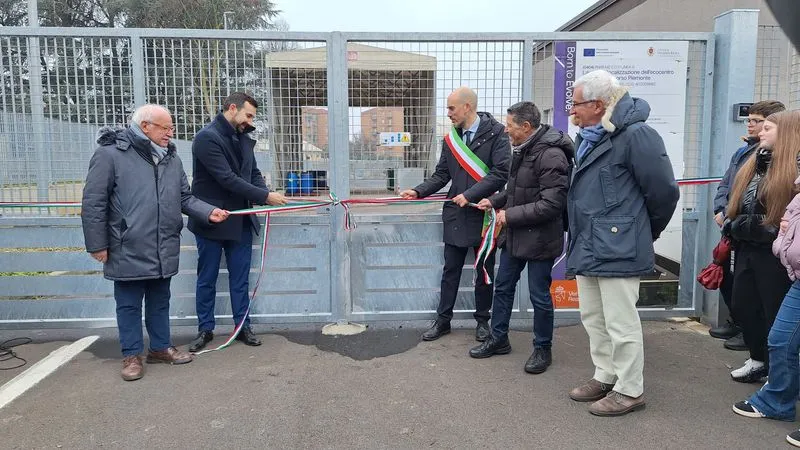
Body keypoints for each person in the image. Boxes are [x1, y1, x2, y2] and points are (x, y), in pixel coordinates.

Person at [81, 104, 229, 381]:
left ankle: (160, 348)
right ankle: (131, 355)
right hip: (127, 244)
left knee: (161, 300)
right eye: (166, 128)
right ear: (145, 126)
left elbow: (184, 197)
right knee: (128, 303)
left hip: (163, 243)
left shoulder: (171, 159)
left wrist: (208, 211)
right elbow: (93, 203)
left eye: (172, 128)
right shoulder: (110, 155)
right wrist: (97, 244)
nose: (171, 134)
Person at [565, 70, 679, 416]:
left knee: (620, 321)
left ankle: (630, 390)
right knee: (594, 317)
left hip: (618, 245)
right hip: (589, 243)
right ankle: (606, 375)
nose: (572, 112)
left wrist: (645, 233)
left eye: (577, 105)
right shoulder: (590, 137)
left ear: (599, 105)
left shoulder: (637, 135)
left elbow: (663, 193)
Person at [468, 101, 573, 376]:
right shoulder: (523, 150)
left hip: (540, 239)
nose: (506, 130)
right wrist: (493, 201)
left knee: (540, 296)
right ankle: (499, 338)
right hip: (516, 236)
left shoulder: (551, 156)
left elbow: (551, 205)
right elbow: (516, 192)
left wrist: (508, 216)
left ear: (526, 127)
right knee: (503, 288)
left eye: (510, 125)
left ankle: (542, 348)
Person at [399, 86, 510, 342]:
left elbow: (501, 173)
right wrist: (418, 191)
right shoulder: (451, 139)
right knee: (451, 270)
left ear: (467, 107)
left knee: (484, 270)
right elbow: (442, 174)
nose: (448, 114)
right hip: (456, 215)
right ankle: (443, 320)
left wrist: (470, 195)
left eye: (451, 108)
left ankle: (483, 320)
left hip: (483, 213)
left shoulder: (497, 135)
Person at [187, 92, 287, 353]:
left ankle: (243, 326)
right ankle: (205, 329)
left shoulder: (243, 138)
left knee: (240, 278)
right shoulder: (207, 138)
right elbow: (227, 179)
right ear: (232, 108)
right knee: (207, 277)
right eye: (249, 115)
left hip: (241, 220)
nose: (250, 121)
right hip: (212, 220)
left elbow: (251, 173)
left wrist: (264, 193)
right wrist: (265, 196)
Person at [729, 111, 800, 449]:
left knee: (782, 331)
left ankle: (779, 393)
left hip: (780, 262)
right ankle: (776, 395)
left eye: (768, 126)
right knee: (770, 329)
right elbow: (738, 198)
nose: (758, 131)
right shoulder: (755, 160)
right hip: (770, 255)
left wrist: (774, 235)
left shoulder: (791, 169)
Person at [710, 100, 786, 351]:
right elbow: (728, 184)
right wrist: (722, 209)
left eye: (759, 122)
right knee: (734, 283)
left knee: (763, 297)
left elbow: (766, 202)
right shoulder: (745, 152)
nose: (752, 126)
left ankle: (753, 338)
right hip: (737, 227)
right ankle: (742, 326)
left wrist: (739, 220)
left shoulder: (779, 160)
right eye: (750, 120)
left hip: (760, 237)